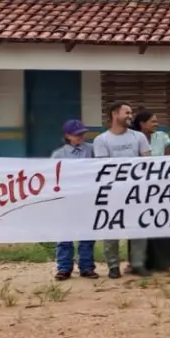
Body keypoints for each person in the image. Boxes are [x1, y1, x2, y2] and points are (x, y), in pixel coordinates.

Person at [93, 101, 151, 276]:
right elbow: (104, 167)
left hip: (136, 191)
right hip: (113, 192)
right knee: (112, 229)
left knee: (139, 227)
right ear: (114, 114)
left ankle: (138, 263)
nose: (130, 116)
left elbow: (147, 161)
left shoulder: (139, 137)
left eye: (131, 113)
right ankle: (113, 266)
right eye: (127, 113)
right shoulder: (101, 140)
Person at [49, 120, 99, 280]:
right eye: (77, 134)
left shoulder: (92, 149)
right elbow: (53, 176)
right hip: (67, 198)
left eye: (82, 134)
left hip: (87, 197)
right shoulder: (58, 155)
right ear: (67, 136)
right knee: (64, 234)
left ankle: (87, 267)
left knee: (87, 234)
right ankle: (64, 268)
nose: (80, 137)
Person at [131, 110, 170, 273]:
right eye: (153, 121)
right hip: (139, 187)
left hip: (160, 186)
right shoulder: (133, 138)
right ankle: (141, 262)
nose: (156, 124)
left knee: (162, 220)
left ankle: (168, 262)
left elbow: (168, 160)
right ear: (142, 124)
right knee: (140, 223)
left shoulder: (162, 137)